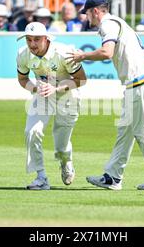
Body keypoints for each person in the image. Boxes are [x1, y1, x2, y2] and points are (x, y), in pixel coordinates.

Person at [66, 0, 144, 191]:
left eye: (87, 13)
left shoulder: (108, 24)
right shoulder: (116, 22)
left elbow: (107, 52)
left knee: (143, 132)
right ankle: (113, 176)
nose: (87, 18)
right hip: (140, 82)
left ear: (95, 11)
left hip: (140, 82)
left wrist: (82, 56)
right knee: (125, 131)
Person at [16, 22, 87, 190]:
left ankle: (66, 162)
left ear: (46, 39)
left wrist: (56, 88)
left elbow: (81, 79)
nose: (32, 44)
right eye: (29, 40)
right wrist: (35, 88)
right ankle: (40, 177)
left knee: (61, 146)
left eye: (37, 39)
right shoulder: (23, 54)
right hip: (42, 95)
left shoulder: (64, 53)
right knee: (32, 131)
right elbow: (23, 79)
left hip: (68, 95)